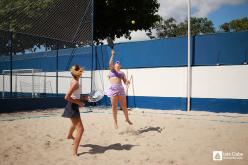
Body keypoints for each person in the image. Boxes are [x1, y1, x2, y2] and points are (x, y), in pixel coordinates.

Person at [62, 64, 85, 156]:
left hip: (73, 105)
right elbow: (67, 97)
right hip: (72, 106)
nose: (82, 73)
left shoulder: (74, 81)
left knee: (74, 123)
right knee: (81, 129)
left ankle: (69, 136)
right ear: (79, 73)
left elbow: (74, 95)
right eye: (80, 71)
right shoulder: (75, 83)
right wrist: (79, 103)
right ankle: (74, 151)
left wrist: (84, 98)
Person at [107, 49, 133, 129]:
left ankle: (127, 119)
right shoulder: (112, 71)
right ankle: (115, 122)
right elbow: (110, 63)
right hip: (113, 90)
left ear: (120, 66)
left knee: (124, 106)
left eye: (119, 63)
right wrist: (112, 55)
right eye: (116, 63)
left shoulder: (122, 73)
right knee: (114, 107)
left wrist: (127, 81)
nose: (117, 63)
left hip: (121, 90)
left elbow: (125, 82)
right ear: (114, 66)